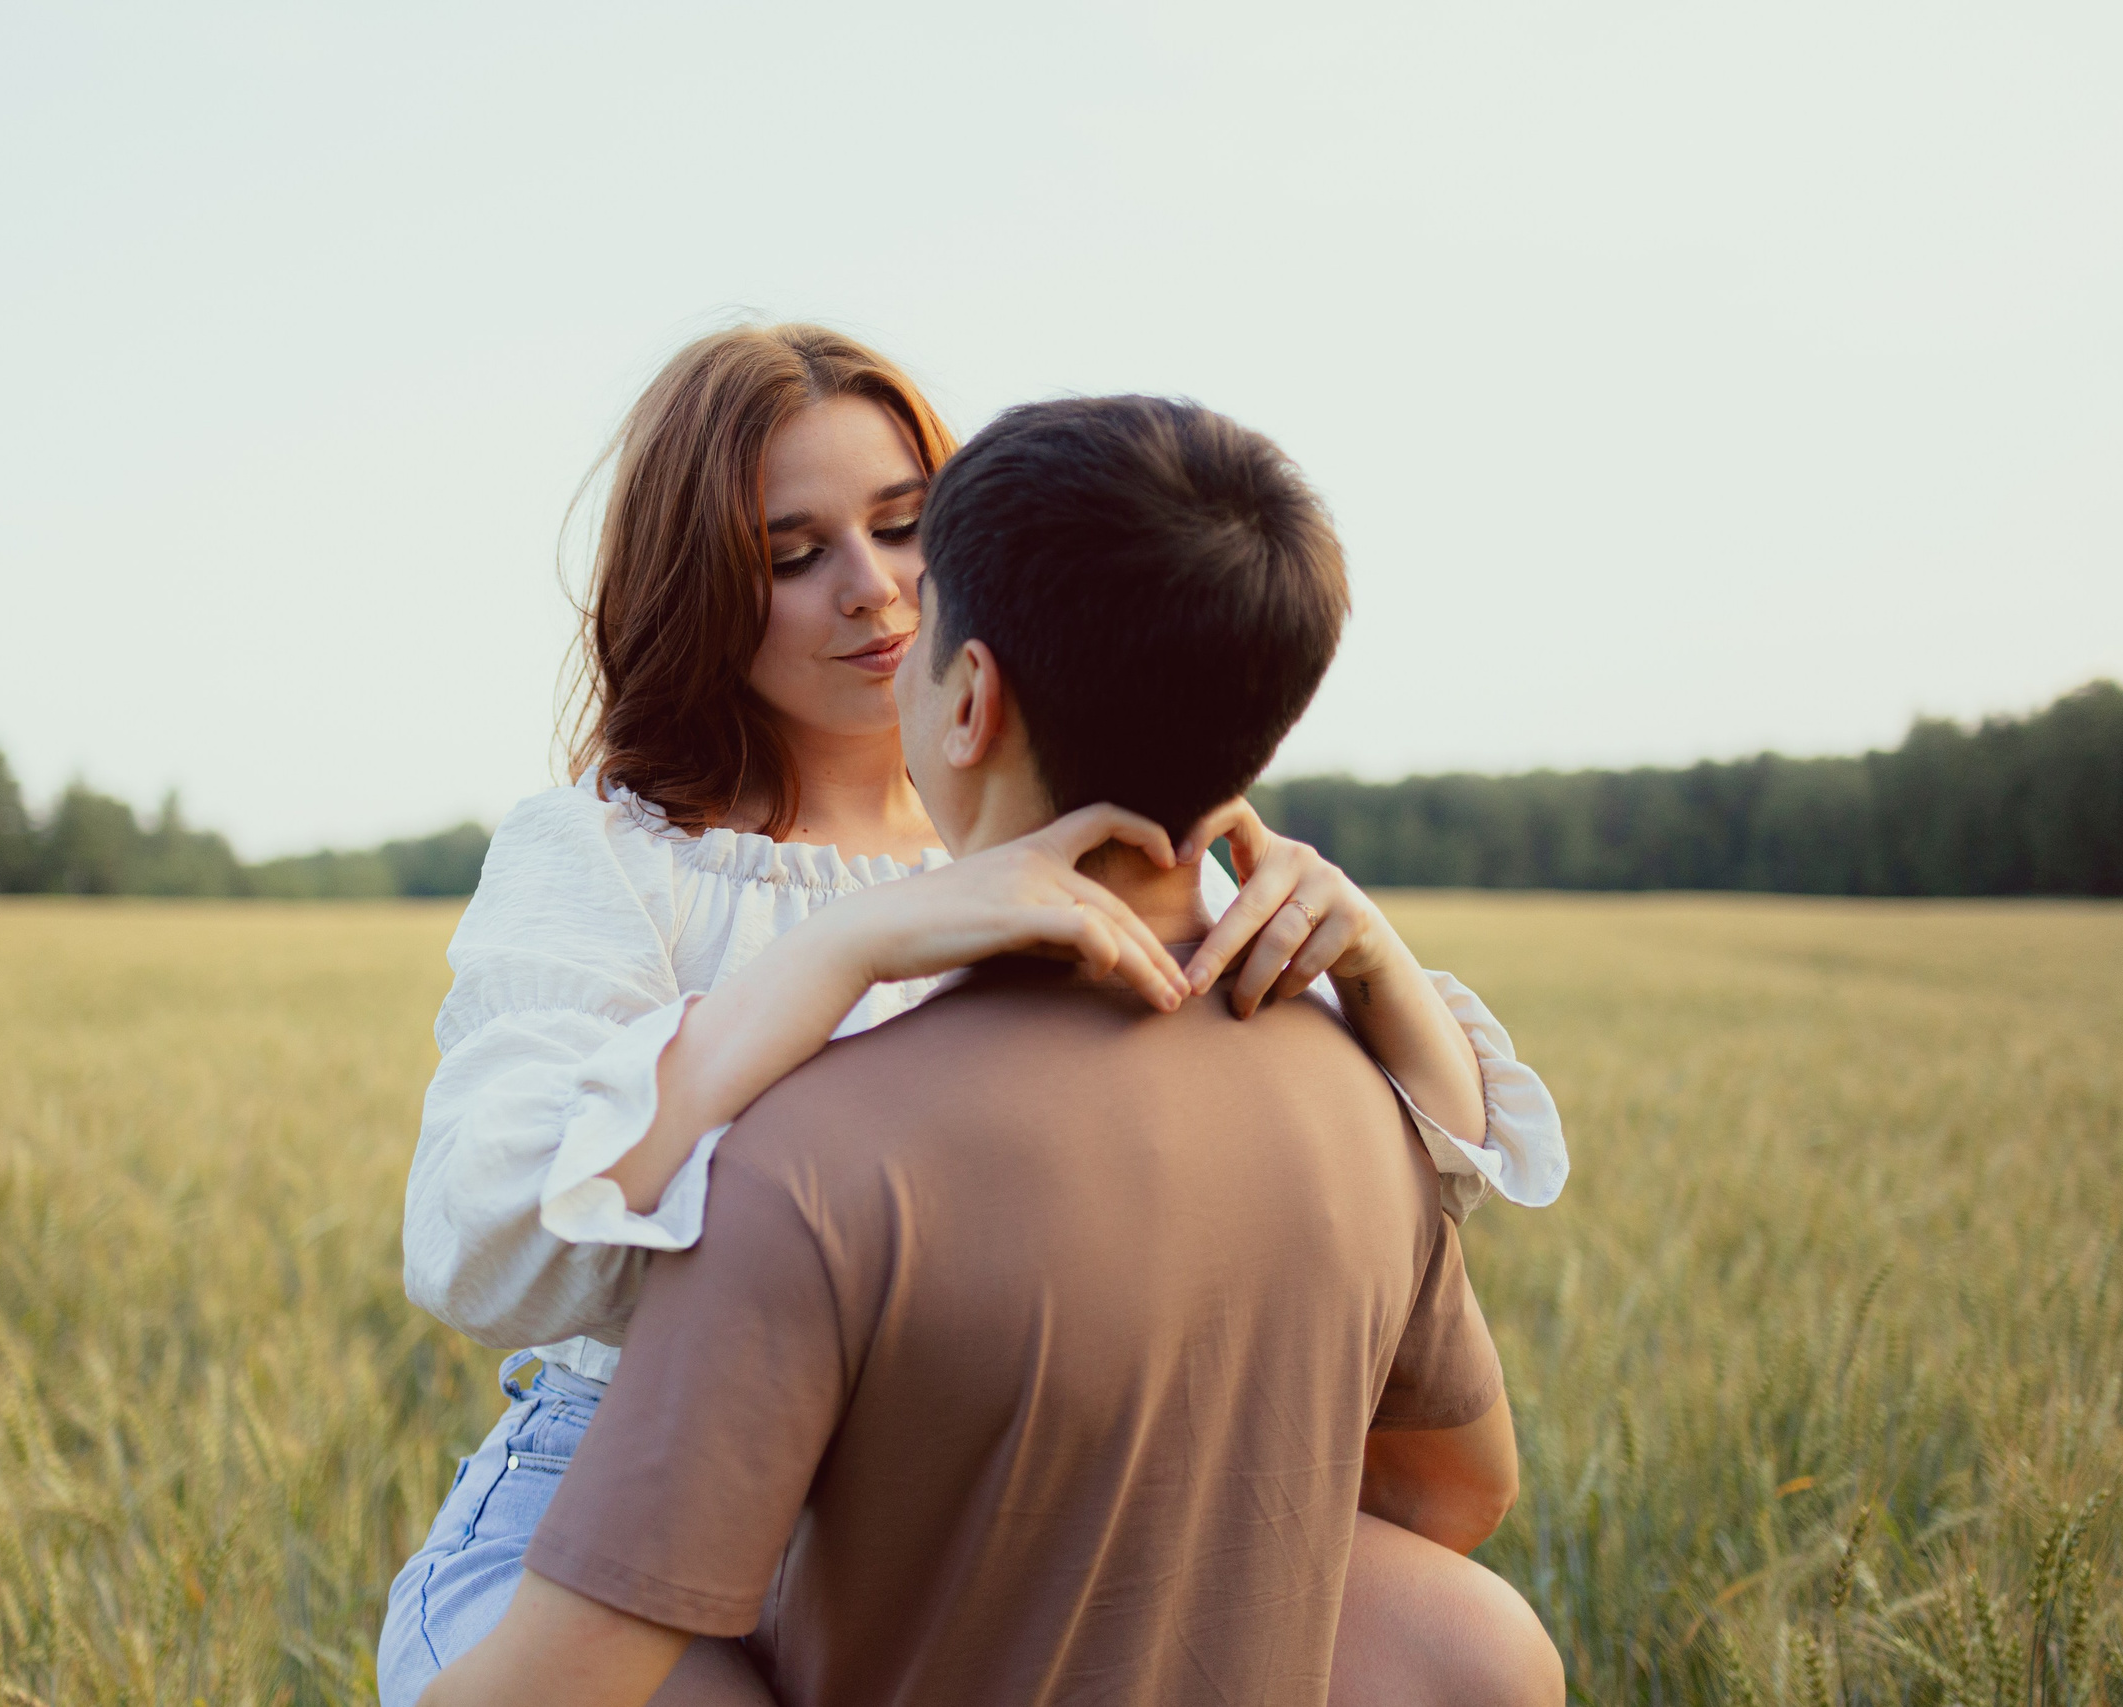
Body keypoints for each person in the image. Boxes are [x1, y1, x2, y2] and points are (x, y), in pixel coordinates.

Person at [378, 327, 1568, 1706]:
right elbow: (481, 1242)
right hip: (600, 1486)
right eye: (794, 555)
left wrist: (1374, 968)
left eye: (903, 528)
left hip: (971, 1488)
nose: (873, 589)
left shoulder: (1067, 809)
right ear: (696, 584)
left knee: (1470, 1651)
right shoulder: (604, 853)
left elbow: (1379, 1211)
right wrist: (841, 952)